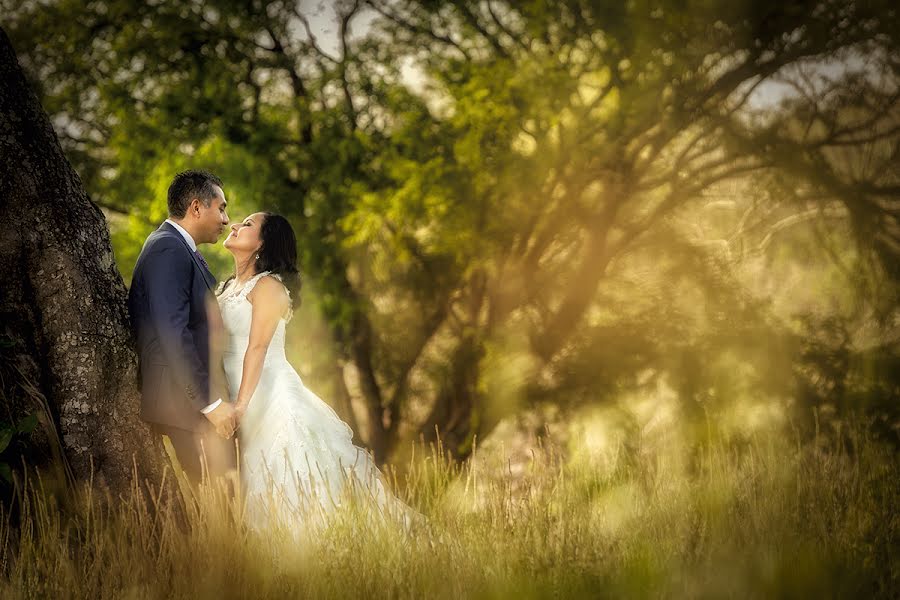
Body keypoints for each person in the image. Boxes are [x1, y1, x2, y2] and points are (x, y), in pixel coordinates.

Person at [217, 211, 418, 533]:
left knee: (287, 471)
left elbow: (257, 348)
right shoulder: (226, 287)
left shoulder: (268, 287)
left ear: (263, 244)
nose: (236, 225)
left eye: (248, 224)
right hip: (235, 390)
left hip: (267, 395)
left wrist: (240, 405)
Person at [128, 169, 238, 486]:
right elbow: (173, 332)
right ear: (195, 207)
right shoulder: (168, 249)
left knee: (226, 501)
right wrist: (211, 404)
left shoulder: (180, 247)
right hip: (185, 403)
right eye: (221, 208)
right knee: (219, 504)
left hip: (191, 404)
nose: (226, 220)